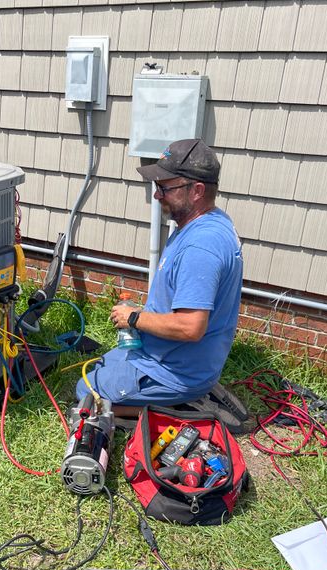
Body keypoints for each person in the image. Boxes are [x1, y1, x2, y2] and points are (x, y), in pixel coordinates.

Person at [75, 139, 244, 420]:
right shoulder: (207, 222)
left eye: (165, 187)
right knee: (103, 363)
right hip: (172, 356)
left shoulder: (200, 246)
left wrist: (134, 318)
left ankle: (179, 409)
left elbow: (191, 328)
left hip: (175, 370)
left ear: (197, 190)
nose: (156, 195)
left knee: (86, 391)